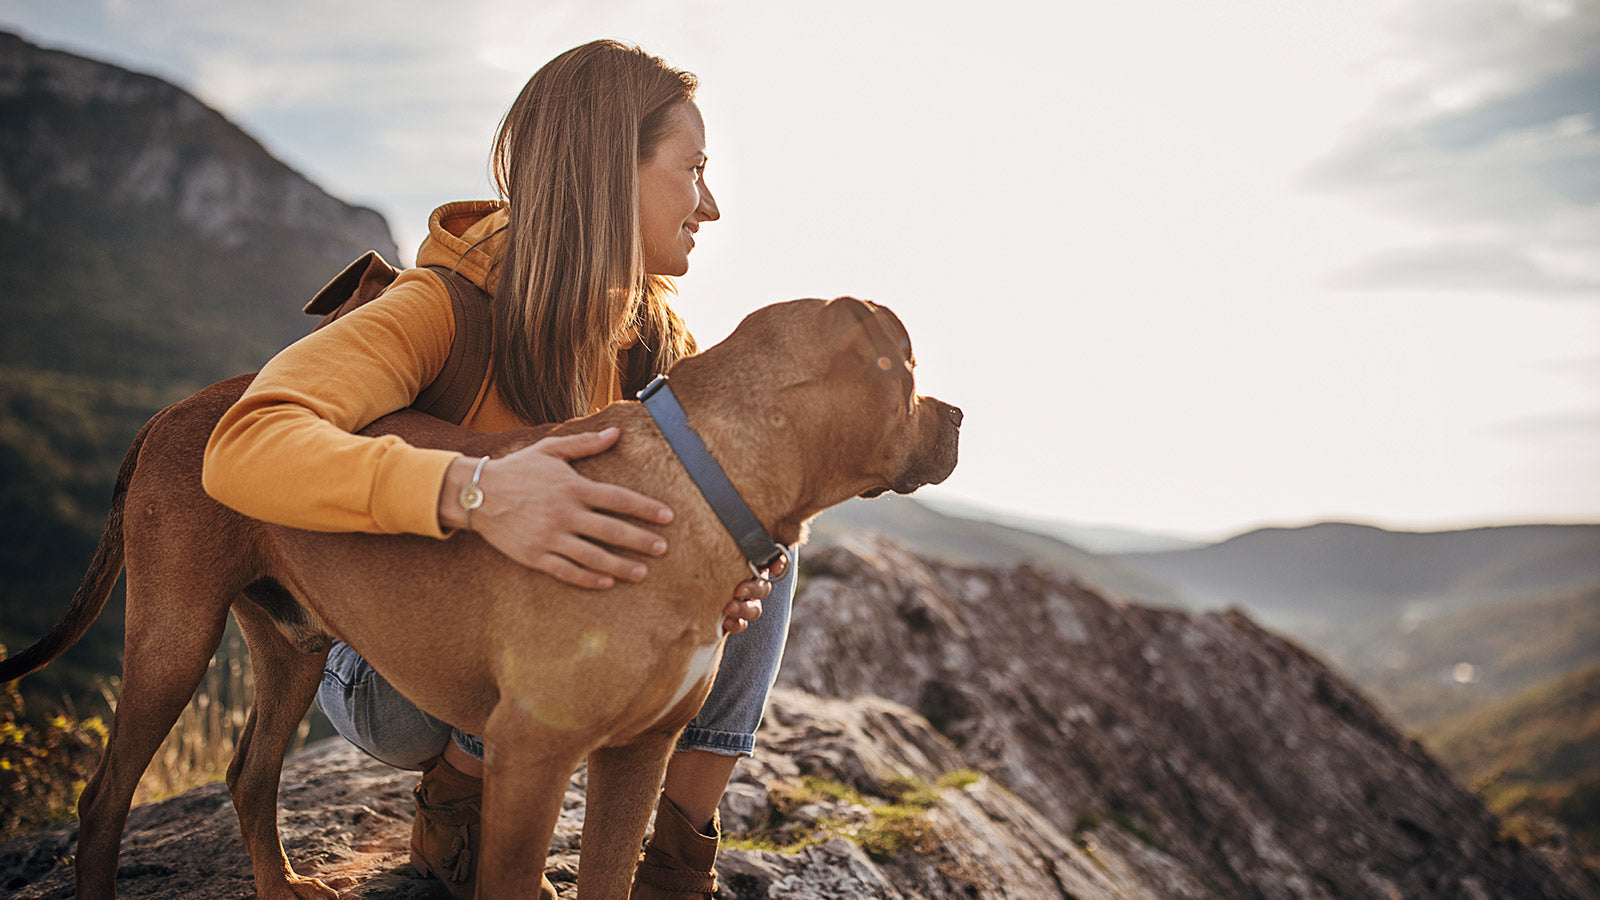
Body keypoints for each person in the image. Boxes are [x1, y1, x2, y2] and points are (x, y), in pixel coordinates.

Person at [201, 39, 793, 900]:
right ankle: (458, 815)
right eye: (692, 168)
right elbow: (242, 443)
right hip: (390, 669)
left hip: (539, 657)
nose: (709, 204)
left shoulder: (655, 344)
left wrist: (726, 581)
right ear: (604, 172)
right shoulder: (439, 307)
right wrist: (473, 495)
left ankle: (671, 862)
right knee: (546, 559)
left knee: (759, 528)